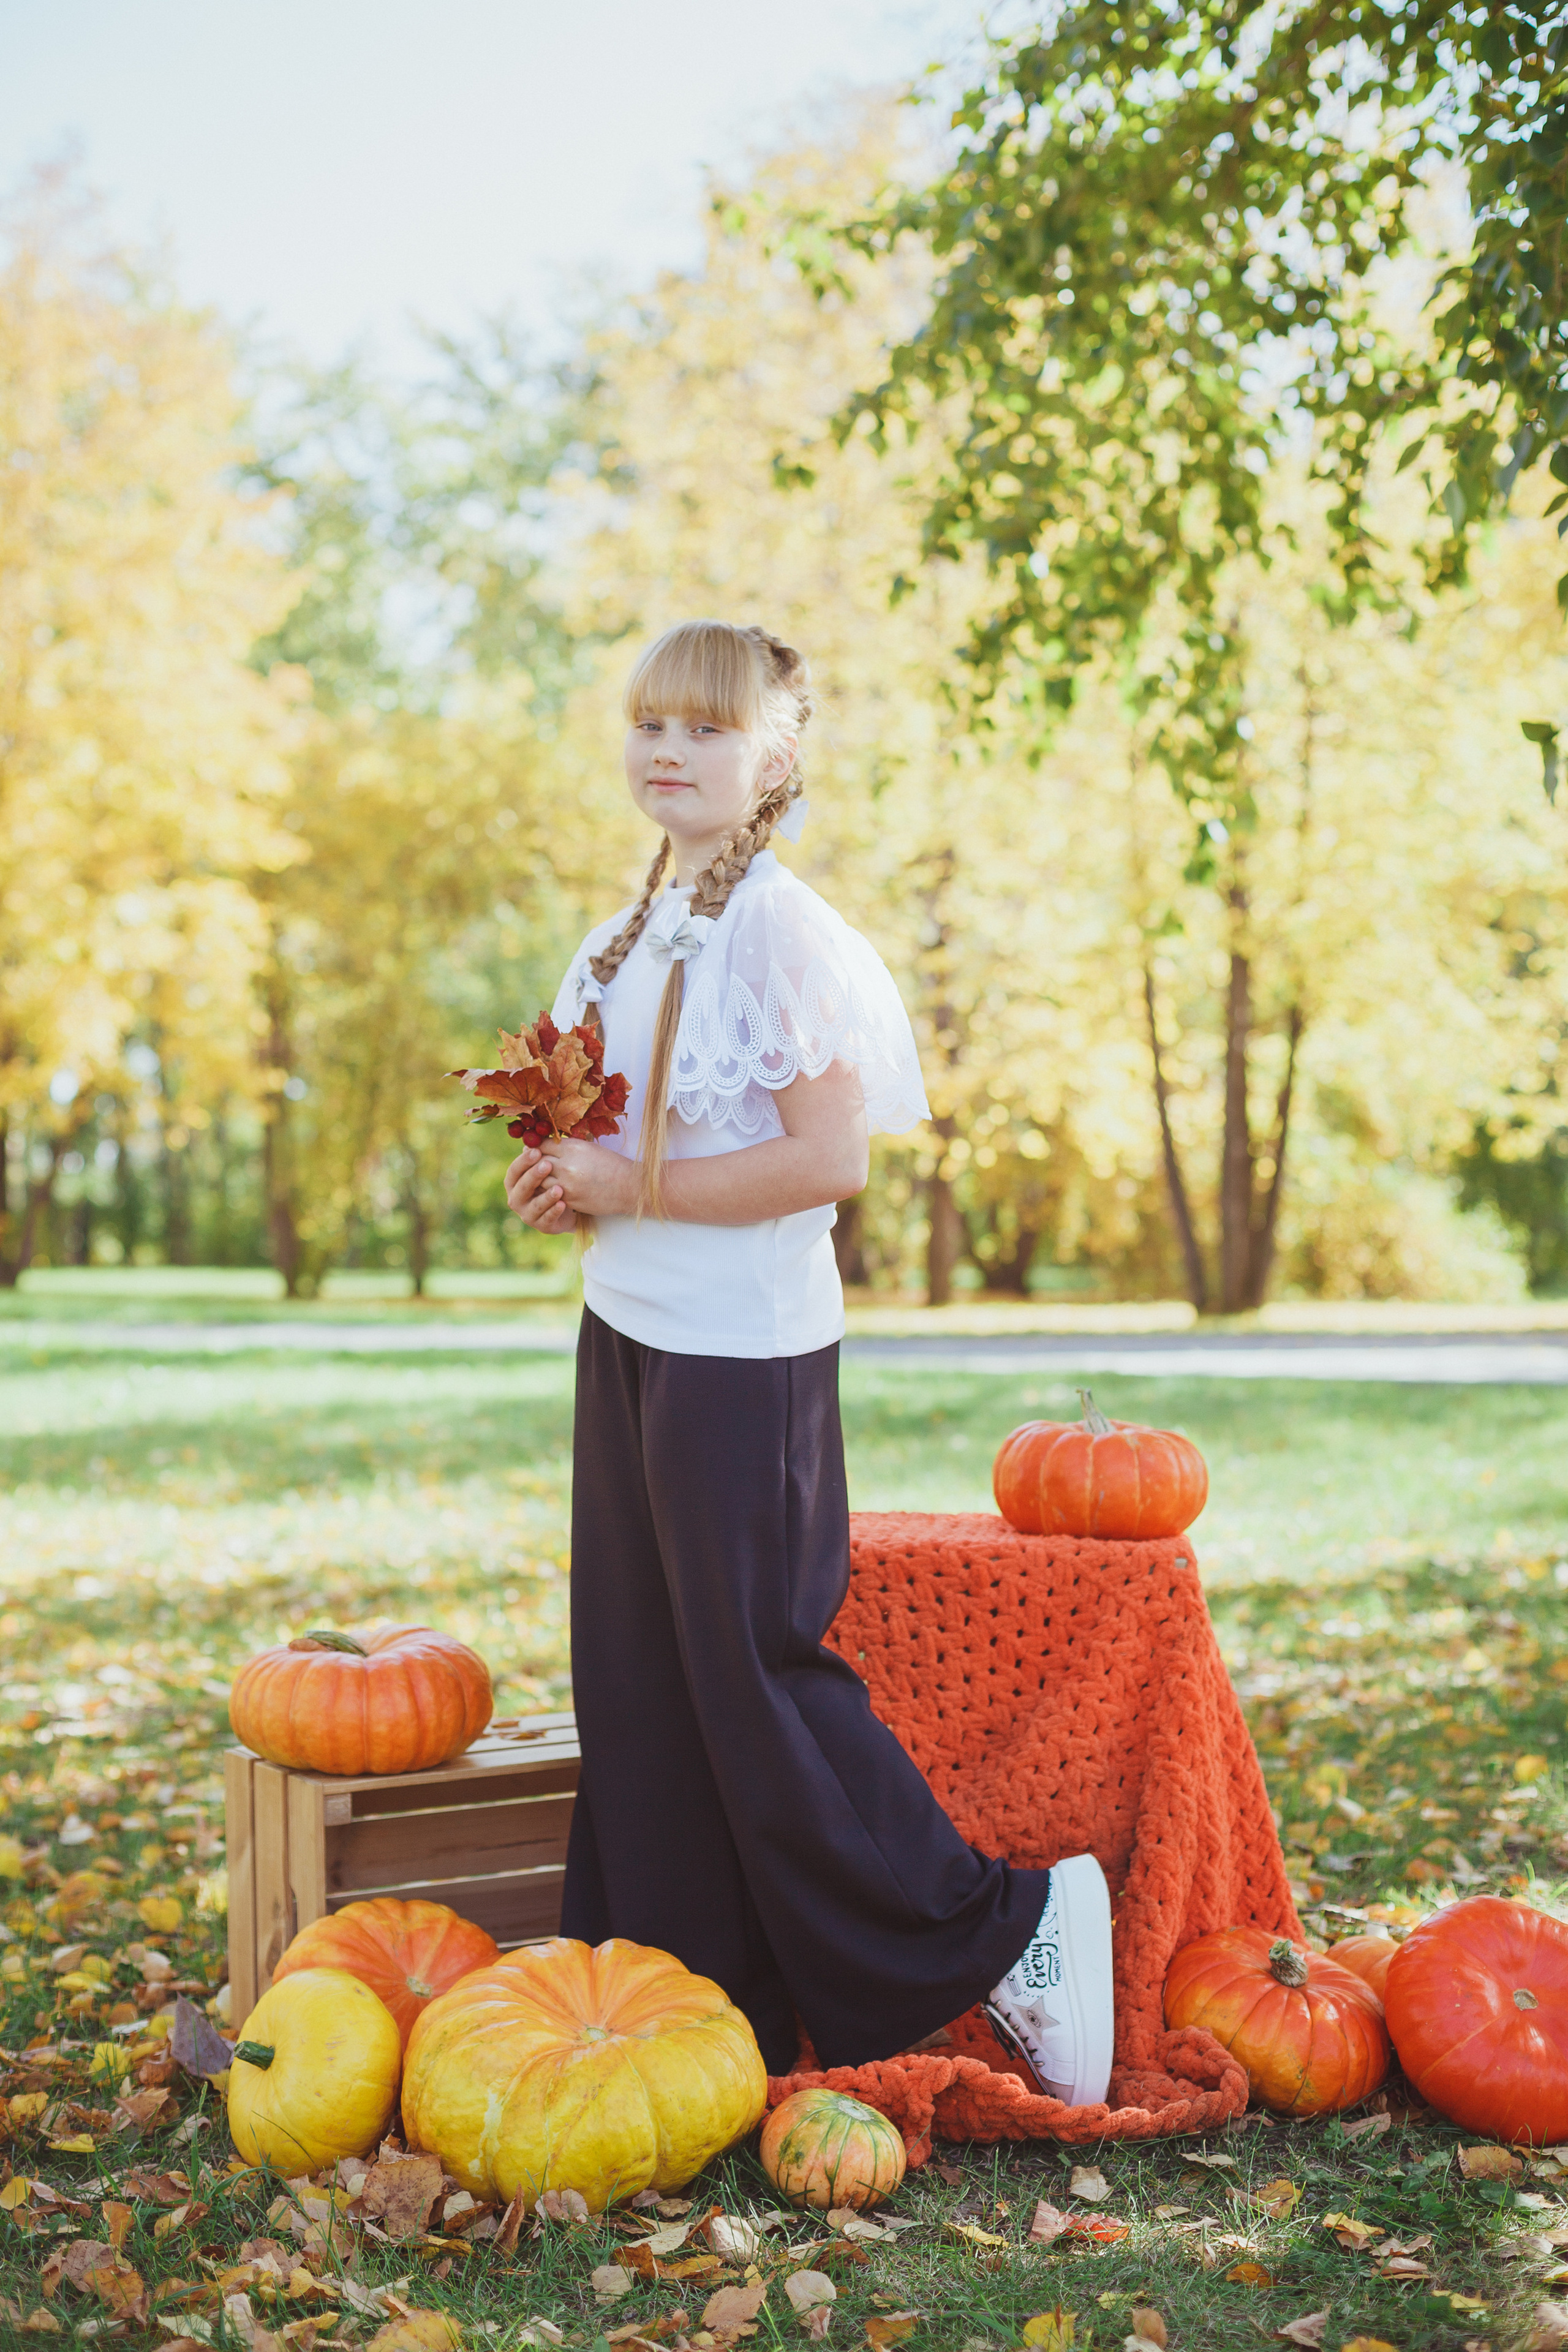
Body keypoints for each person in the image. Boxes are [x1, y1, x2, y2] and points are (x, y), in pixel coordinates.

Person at [505, 618, 1114, 2103]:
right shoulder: (627, 929)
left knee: (759, 1677)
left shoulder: (777, 928)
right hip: (633, 1335)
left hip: (739, 1359)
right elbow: (633, 1143)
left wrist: (626, 1187)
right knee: (642, 1689)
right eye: (648, 722)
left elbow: (820, 1158)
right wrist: (563, 1180)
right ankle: (693, 2011)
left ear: (771, 755)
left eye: (704, 729)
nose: (666, 750)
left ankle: (1007, 1926)